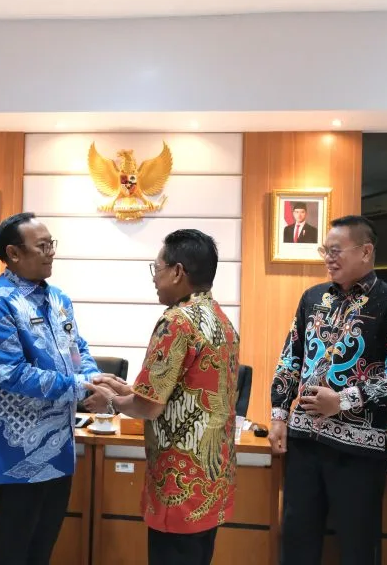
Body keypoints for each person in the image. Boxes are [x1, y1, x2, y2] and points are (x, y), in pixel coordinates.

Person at [0, 212, 122, 565]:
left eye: (52, 244)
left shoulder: (58, 299)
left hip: (59, 448)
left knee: (42, 550)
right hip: (17, 452)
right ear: (14, 253)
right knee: (12, 554)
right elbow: (13, 374)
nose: (51, 252)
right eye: (42, 246)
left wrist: (95, 378)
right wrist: (83, 388)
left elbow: (77, 349)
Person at [270, 215, 387, 565]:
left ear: (365, 251)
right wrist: (278, 415)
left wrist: (342, 400)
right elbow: (291, 358)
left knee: (358, 545)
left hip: (358, 450)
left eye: (336, 251)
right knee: (296, 540)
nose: (328, 258)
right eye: (325, 250)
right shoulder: (313, 297)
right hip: (304, 440)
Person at [94, 229, 240, 565]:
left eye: (156, 269)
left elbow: (149, 406)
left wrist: (111, 403)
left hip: (179, 485)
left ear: (177, 272)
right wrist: (125, 389)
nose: (154, 278)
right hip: (212, 480)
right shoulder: (220, 319)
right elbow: (181, 390)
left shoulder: (176, 321)